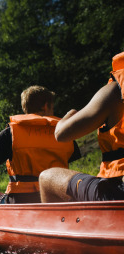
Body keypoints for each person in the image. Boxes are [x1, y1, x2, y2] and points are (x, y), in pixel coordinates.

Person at [0, 85, 81, 204]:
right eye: (52, 107)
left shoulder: (10, 133)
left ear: (25, 108)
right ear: (45, 106)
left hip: (19, 202)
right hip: (56, 200)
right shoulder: (63, 132)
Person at [40, 52, 124, 202]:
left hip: (118, 192)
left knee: (46, 177)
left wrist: (69, 115)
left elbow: (61, 134)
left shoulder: (114, 91)